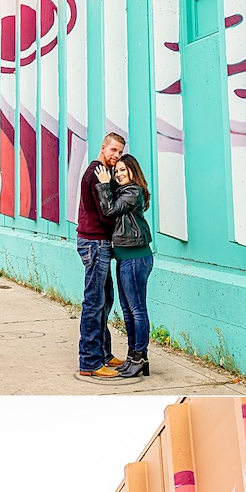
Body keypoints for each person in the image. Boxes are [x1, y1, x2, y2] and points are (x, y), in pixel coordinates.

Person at [94, 153, 154, 378]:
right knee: (128, 312)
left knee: (137, 310)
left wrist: (103, 185)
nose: (118, 174)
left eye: (122, 170)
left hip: (136, 257)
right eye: (116, 171)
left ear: (132, 171)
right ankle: (133, 357)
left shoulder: (133, 192)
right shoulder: (123, 191)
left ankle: (140, 358)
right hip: (124, 257)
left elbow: (110, 210)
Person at [77, 132, 127, 378]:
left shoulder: (100, 171)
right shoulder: (98, 174)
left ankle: (103, 353)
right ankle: (90, 362)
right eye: (113, 150)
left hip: (97, 242)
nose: (116, 156)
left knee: (104, 300)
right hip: (95, 243)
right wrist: (108, 186)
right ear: (103, 147)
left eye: (119, 152)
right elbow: (106, 214)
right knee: (94, 302)